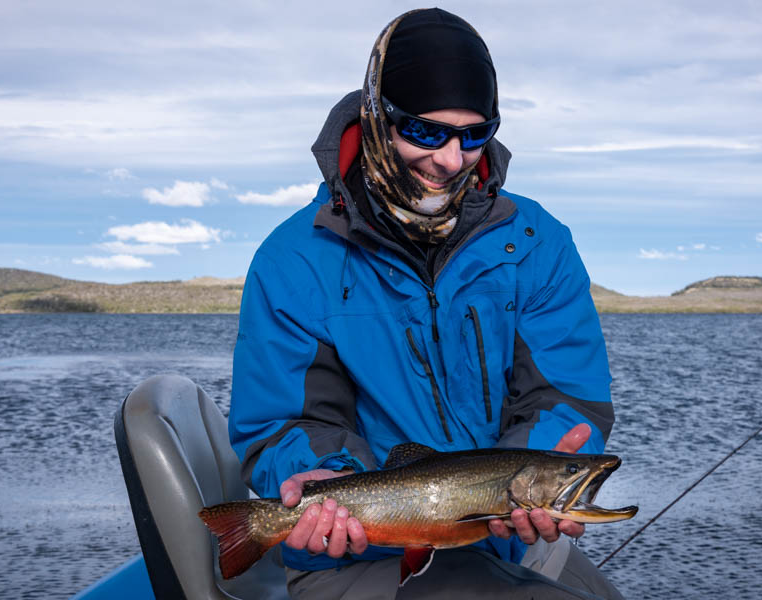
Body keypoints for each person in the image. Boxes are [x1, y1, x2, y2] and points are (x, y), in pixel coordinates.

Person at [230, 8, 623, 599]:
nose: (450, 159)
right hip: (354, 554)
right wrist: (318, 485)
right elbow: (282, 422)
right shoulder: (292, 261)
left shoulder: (538, 243)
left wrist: (538, 475)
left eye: (475, 134)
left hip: (515, 536)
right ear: (375, 113)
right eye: (425, 131)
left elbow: (564, 395)